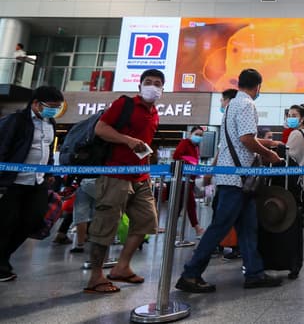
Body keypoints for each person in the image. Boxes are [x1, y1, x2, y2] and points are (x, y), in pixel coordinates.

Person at [176, 69, 283, 293]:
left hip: (233, 177)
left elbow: (239, 137)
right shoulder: (247, 104)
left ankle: (254, 272)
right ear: (258, 86)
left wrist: (266, 144)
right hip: (237, 178)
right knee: (219, 227)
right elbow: (245, 139)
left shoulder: (233, 104)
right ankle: (191, 273)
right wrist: (268, 154)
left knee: (247, 227)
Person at [84, 70, 163, 294]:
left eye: (157, 84)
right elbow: (101, 129)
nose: (152, 86)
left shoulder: (155, 112)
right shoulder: (124, 104)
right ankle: (95, 276)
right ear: (139, 86)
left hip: (141, 176)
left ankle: (122, 267)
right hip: (115, 173)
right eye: (148, 82)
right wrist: (127, 140)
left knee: (147, 221)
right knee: (105, 224)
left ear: (162, 90)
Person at [0, 86, 63, 282]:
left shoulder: (50, 123)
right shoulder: (16, 121)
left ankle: (2, 258)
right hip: (13, 182)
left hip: (37, 182)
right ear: (36, 103)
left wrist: (49, 169)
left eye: (57, 107)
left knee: (32, 221)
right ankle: (1, 265)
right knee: (5, 224)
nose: (54, 110)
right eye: (51, 106)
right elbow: (3, 148)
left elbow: (47, 151)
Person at [172, 126, 205, 236]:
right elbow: (176, 155)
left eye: (201, 135)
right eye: (197, 134)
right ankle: (197, 228)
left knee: (180, 204)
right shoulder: (185, 142)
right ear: (191, 133)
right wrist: (190, 161)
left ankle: (171, 227)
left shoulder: (196, 147)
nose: (199, 137)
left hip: (190, 180)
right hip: (183, 179)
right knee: (190, 203)